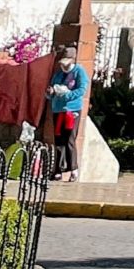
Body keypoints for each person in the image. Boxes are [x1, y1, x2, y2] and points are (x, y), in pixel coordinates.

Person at [44, 45, 90, 179]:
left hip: (72, 110)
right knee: (58, 140)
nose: (64, 67)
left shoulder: (79, 71)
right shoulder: (58, 74)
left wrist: (66, 94)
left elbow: (81, 90)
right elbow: (51, 89)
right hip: (58, 110)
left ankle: (73, 168)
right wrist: (51, 93)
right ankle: (58, 169)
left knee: (69, 138)